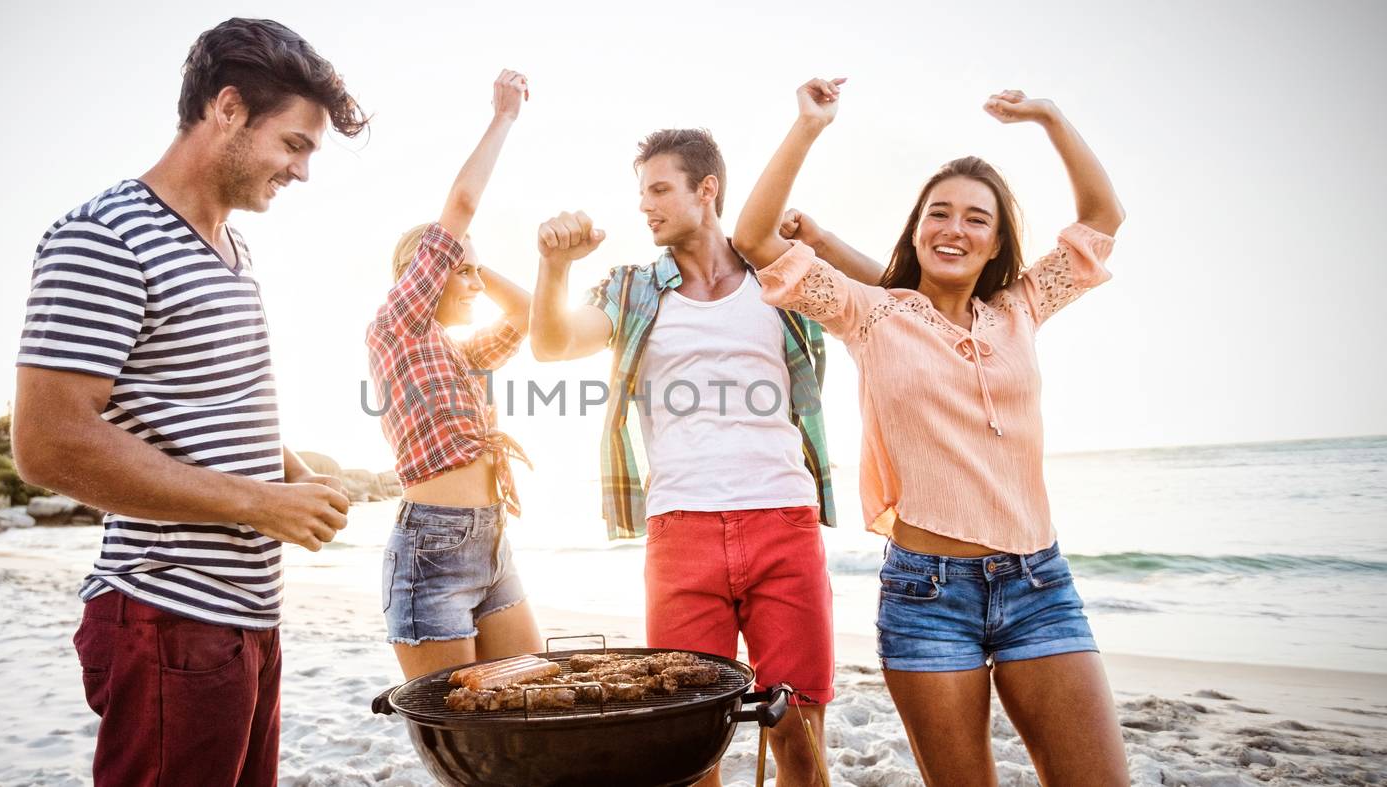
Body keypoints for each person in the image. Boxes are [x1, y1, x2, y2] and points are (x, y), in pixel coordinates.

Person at [730, 77, 1129, 786]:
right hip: (927, 597)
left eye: (977, 218)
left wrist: (1050, 117)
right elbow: (755, 237)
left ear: (998, 241)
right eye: (938, 213)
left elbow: (1102, 217)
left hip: (1039, 582)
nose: (955, 227)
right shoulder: (873, 315)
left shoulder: (1021, 308)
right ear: (916, 229)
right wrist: (808, 127)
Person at [10, 18, 363, 786]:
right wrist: (259, 505)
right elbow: (48, 442)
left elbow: (216, 409)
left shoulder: (234, 251)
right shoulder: (104, 237)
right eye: (294, 144)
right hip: (167, 616)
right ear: (228, 109)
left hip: (246, 622)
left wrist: (294, 478)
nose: (302, 171)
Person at [528, 129, 883, 786]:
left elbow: (892, 298)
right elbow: (551, 345)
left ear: (707, 189)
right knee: (690, 753)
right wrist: (555, 267)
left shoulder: (783, 276)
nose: (645, 206)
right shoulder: (633, 289)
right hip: (681, 532)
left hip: (783, 525)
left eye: (660, 189)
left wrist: (819, 231)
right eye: (642, 193)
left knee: (800, 744)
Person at [367, 70, 542, 681]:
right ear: (425, 274)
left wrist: (478, 265)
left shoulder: (458, 354)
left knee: (530, 700)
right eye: (459, 271)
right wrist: (505, 116)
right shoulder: (398, 327)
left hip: (491, 542)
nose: (472, 284)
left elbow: (529, 313)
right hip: (431, 551)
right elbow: (460, 209)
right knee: (459, 727)